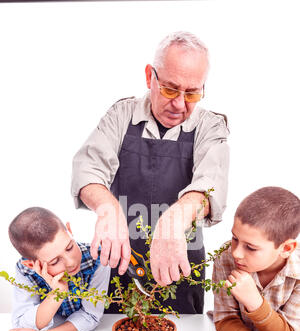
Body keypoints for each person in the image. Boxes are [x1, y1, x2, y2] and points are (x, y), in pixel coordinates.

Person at [71, 31, 230, 315]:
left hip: (181, 266)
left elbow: (210, 183)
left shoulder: (211, 127)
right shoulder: (121, 115)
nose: (180, 104)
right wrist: (108, 209)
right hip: (121, 263)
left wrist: (174, 221)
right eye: (170, 89)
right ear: (150, 77)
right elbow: (88, 167)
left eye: (192, 93)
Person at [210, 186, 300, 331]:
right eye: (234, 238)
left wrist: (255, 303)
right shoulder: (225, 258)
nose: (236, 253)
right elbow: (225, 321)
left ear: (286, 249)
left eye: (251, 248)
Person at [7, 207, 110, 331]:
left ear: (69, 230)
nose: (70, 262)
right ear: (32, 264)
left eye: (69, 247)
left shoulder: (98, 259)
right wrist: (57, 293)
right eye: (55, 262)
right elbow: (21, 328)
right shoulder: (26, 271)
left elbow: (90, 316)